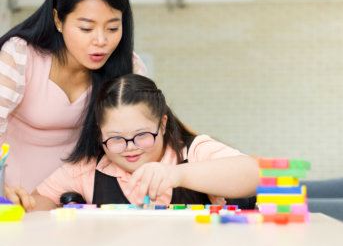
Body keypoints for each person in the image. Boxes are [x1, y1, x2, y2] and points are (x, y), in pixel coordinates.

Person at [17, 74, 259, 211]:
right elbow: (35, 209)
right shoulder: (87, 170)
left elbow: (253, 174)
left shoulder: (192, 151)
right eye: (115, 139)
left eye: (142, 135)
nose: (130, 146)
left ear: (163, 124)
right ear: (100, 134)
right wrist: (17, 202)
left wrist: (177, 174)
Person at [0, 0, 147, 204]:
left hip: (80, 203)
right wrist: (3, 188)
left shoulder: (129, 67)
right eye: (86, 28)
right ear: (58, 19)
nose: (101, 40)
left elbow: (158, 128)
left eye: (113, 28)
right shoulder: (20, 55)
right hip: (14, 198)